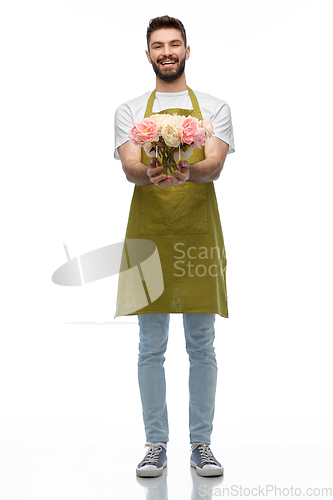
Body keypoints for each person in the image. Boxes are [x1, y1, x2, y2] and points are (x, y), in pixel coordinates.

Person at [113, 15, 235, 477]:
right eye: (158, 45)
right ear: (148, 54)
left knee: (201, 344)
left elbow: (215, 163)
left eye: (175, 44)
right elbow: (129, 165)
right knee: (150, 344)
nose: (167, 52)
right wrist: (150, 173)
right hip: (149, 233)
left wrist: (189, 172)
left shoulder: (215, 107)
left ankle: (201, 444)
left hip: (198, 232)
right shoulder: (129, 110)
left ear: (187, 50)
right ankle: (155, 442)